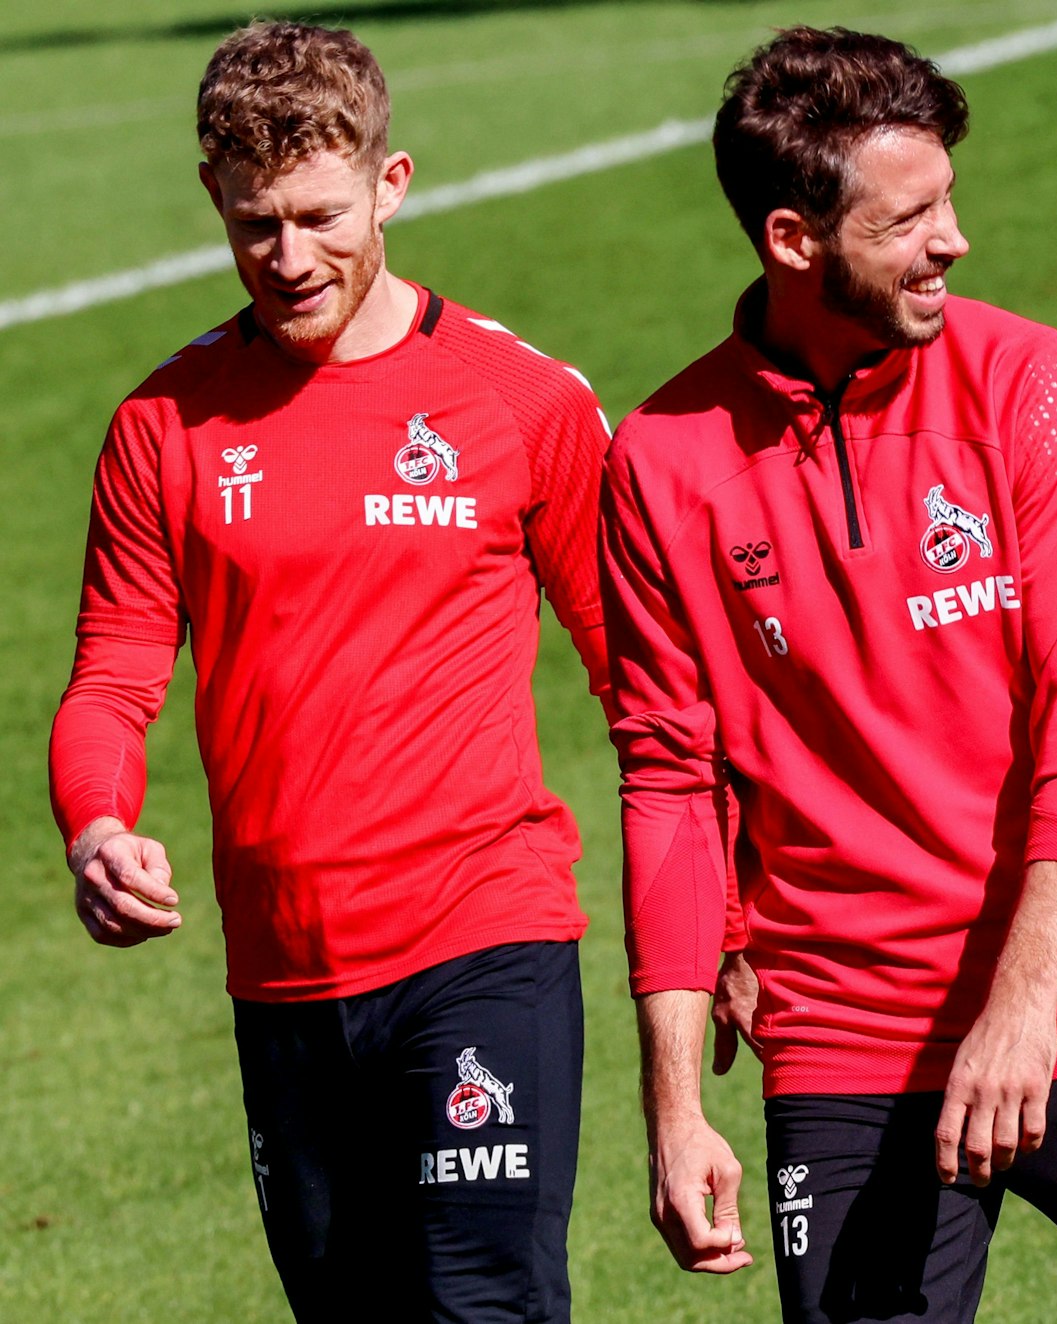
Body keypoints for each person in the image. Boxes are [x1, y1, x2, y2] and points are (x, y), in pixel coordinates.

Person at [601, 26, 1057, 1322]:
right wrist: (673, 1109)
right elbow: (667, 788)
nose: (954, 240)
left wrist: (1022, 1002)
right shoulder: (663, 460)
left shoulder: (1028, 384)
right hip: (850, 1039)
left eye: (949, 201)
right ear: (792, 240)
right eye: (911, 216)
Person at [49, 22, 611, 1323]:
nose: (290, 259)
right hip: (284, 973)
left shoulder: (514, 402)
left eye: (319, 216)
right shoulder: (163, 426)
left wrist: (730, 924)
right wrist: (97, 826)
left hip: (485, 939)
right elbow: (114, 675)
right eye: (257, 225)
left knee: (484, 1308)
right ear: (215, 200)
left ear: (392, 182)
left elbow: (641, 681)